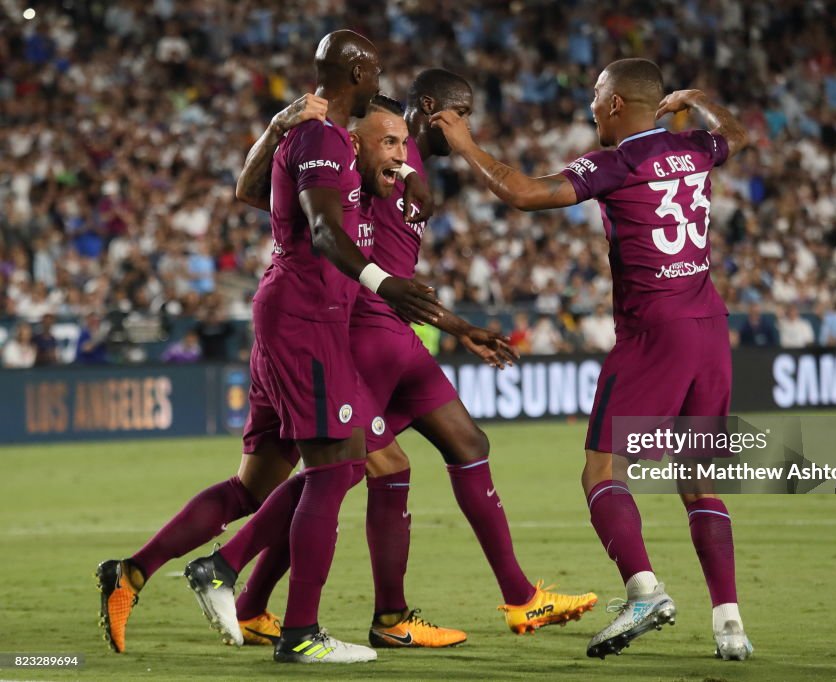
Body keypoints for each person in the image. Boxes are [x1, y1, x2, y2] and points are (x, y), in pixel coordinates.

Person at [95, 30, 442, 664]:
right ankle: (300, 633)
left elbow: (251, 192)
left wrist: (289, 129)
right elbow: (321, 230)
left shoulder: (319, 138)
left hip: (296, 315)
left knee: (254, 485)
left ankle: (133, 572)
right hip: (305, 317)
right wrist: (385, 282)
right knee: (338, 466)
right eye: (376, 71)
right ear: (359, 73)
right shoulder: (324, 137)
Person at [234, 74, 595, 648]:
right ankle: (247, 584)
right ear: (431, 109)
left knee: (463, 445)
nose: (467, 124)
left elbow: (396, 257)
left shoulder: (403, 166)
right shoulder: (375, 157)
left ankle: (519, 598)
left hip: (394, 331)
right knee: (339, 472)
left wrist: (459, 326)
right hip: (364, 333)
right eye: (461, 113)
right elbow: (349, 236)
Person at [432, 59, 753, 660]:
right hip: (710, 325)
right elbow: (737, 136)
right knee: (698, 479)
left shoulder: (619, 162)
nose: (588, 106)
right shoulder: (696, 145)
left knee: (601, 471)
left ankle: (643, 591)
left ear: (612, 106)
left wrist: (464, 141)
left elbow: (523, 193)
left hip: (654, 331)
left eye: (594, 95)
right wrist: (702, 97)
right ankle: (730, 623)